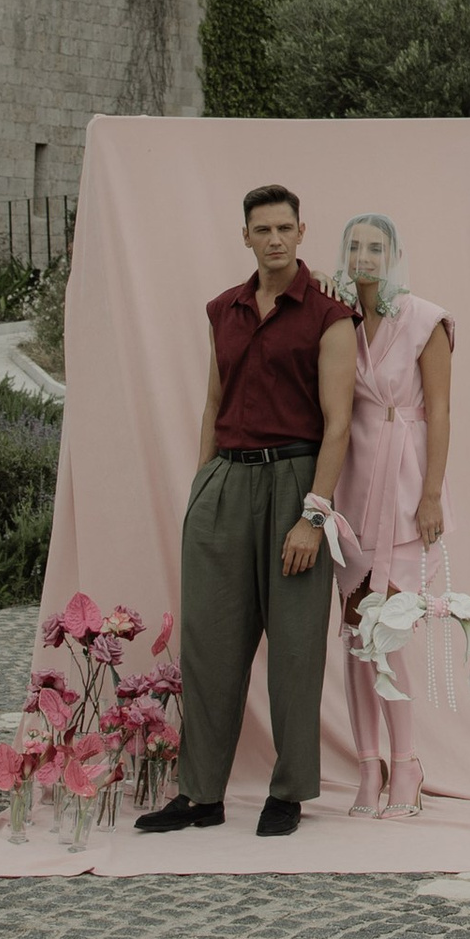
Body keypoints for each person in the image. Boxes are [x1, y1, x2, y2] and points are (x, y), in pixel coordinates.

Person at [136, 182, 355, 841]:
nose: (276, 239)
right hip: (225, 486)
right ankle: (200, 794)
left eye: (285, 228)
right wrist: (204, 485)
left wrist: (313, 517)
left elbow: (339, 425)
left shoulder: (329, 315)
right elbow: (213, 403)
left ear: (301, 231)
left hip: (295, 483)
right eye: (263, 230)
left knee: (293, 651)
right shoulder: (224, 311)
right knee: (208, 647)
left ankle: (288, 793)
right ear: (246, 237)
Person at [331, 212, 454, 819]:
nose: (364, 256)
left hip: (405, 490)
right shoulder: (337, 320)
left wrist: (431, 494)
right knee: (355, 633)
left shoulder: (424, 319)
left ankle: (407, 764)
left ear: (395, 253)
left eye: (376, 246)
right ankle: (367, 764)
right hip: (353, 490)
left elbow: (442, 412)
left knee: (390, 632)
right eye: (354, 246)